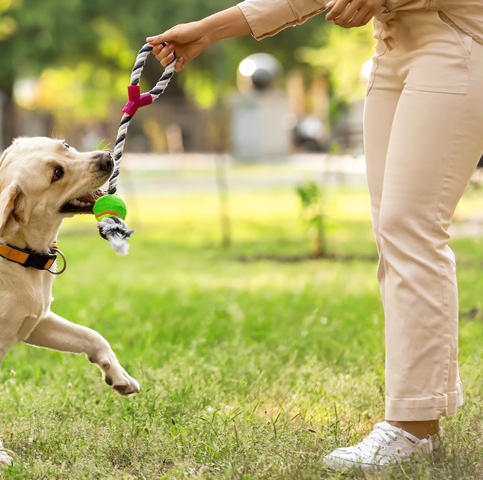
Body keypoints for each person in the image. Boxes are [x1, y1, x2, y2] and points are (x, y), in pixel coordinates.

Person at [147, 0, 483, 470]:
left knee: (412, 228)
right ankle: (420, 415)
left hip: (458, 40)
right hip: (392, 46)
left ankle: (412, 425)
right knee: (394, 233)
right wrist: (208, 30)